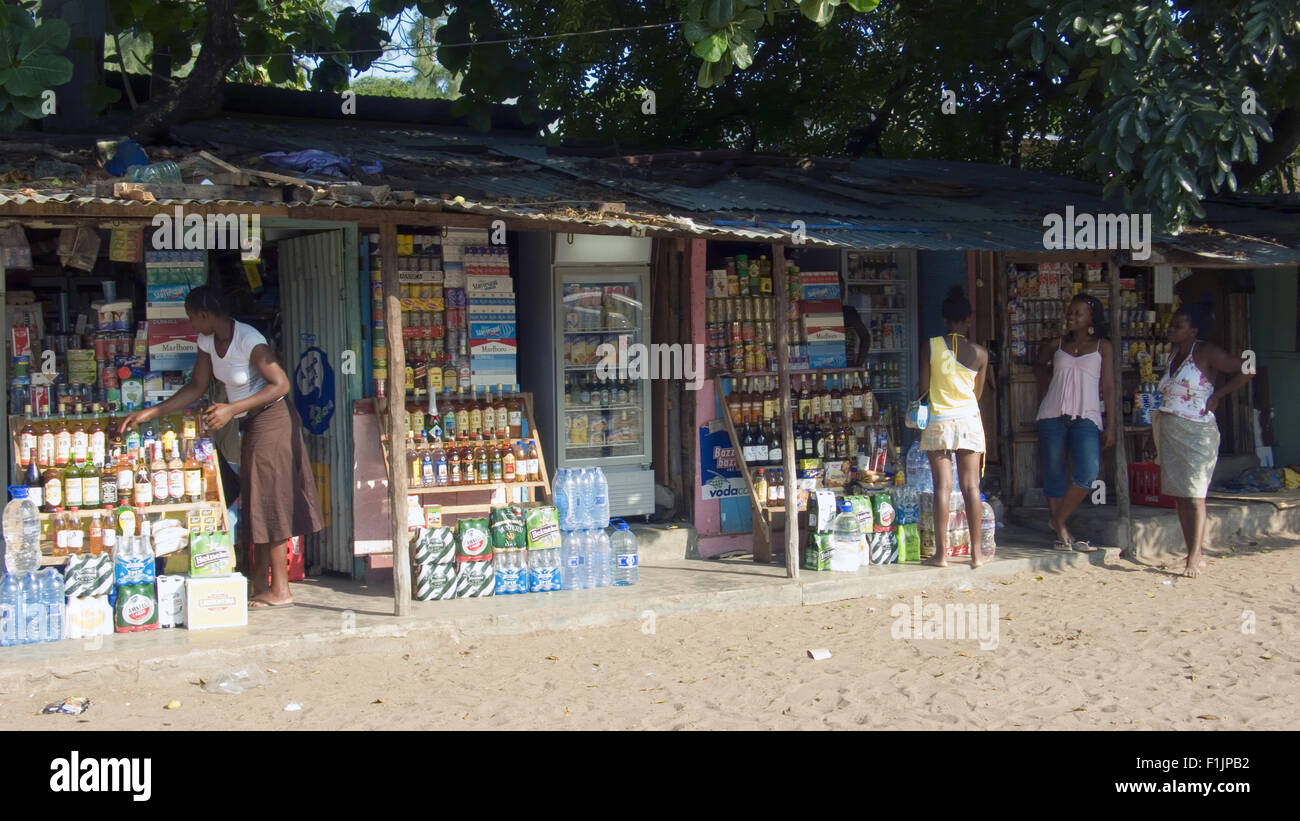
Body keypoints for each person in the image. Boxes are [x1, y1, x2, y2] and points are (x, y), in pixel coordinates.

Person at [120, 286, 323, 606]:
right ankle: (259, 581)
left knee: (269, 498)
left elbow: (281, 384)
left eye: (191, 318)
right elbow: (197, 386)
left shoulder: (248, 339)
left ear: (206, 315)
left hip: (274, 420)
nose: (190, 325)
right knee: (256, 497)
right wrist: (152, 412)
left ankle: (281, 589)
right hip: (251, 422)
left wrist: (230, 408)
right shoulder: (207, 342)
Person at [1154, 298, 1253, 578]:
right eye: (1172, 324)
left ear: (1194, 331)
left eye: (1178, 325)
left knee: (1196, 495)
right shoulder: (1174, 356)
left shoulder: (1206, 352)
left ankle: (1195, 557)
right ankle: (1191, 551)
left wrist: (1218, 396)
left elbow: (1248, 367)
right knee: (1181, 496)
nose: (1171, 329)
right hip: (1171, 430)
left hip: (1198, 433)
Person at [1034, 294, 1117, 552]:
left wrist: (1111, 425)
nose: (1071, 317)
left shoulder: (1103, 346)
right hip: (1052, 415)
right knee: (1054, 472)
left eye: (1078, 313)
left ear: (1091, 318)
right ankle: (1061, 532)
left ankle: (1057, 519)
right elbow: (1038, 366)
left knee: (1088, 473)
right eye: (1069, 312)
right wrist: (1048, 390)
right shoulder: (1056, 344)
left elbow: (1110, 387)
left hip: (1087, 417)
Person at [917, 287, 989, 568]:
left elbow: (923, 389)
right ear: (968, 320)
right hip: (969, 420)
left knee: (942, 488)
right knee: (972, 486)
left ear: (945, 320)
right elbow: (977, 394)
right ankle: (977, 554)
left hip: (938, 421)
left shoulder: (930, 346)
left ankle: (941, 554)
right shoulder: (981, 354)